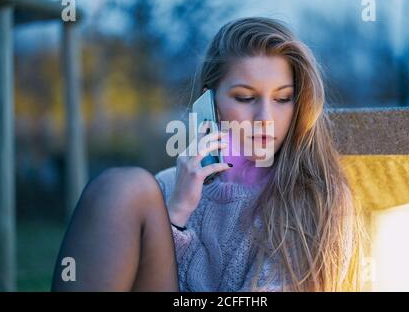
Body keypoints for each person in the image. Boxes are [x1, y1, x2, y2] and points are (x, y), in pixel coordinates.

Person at [51, 16, 362, 292]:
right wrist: (178, 214)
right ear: (208, 103)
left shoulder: (317, 199)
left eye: (283, 99)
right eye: (245, 97)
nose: (264, 116)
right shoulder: (167, 188)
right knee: (123, 186)